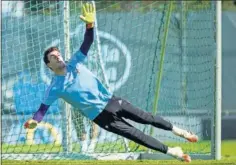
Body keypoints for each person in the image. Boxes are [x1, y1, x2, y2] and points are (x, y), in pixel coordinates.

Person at [24, 3, 198, 162]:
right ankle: (174, 152)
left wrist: (90, 25)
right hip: (101, 117)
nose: (58, 56)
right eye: (53, 57)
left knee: (147, 118)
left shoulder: (74, 62)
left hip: (113, 102)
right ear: (49, 65)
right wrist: (35, 121)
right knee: (137, 136)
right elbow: (41, 111)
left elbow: (87, 42)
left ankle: (180, 132)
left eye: (58, 53)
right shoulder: (54, 88)